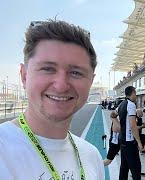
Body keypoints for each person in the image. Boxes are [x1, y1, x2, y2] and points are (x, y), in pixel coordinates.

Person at [0, 20, 105, 179]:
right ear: (24, 75)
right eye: (48, 69)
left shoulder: (92, 156)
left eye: (76, 72)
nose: (61, 86)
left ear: (90, 81)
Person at [118, 86, 143, 180]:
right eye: (135, 93)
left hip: (122, 140)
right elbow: (133, 126)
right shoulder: (131, 105)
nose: (136, 95)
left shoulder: (121, 104)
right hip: (129, 142)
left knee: (124, 167)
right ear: (132, 93)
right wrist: (139, 142)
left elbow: (113, 114)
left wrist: (118, 125)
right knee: (136, 168)